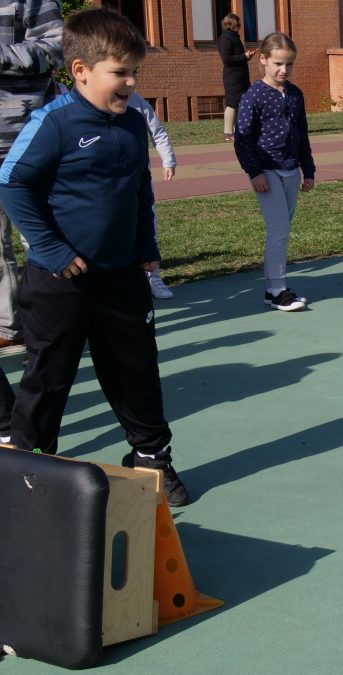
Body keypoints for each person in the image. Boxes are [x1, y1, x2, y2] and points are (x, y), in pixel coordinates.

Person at [0, 8, 192, 505]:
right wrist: (52, 249)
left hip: (122, 276)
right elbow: (12, 183)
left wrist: (146, 247)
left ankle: (152, 458)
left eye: (135, 72)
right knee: (48, 378)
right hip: (59, 281)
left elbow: (140, 189)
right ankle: (30, 469)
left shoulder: (130, 123)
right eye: (120, 72)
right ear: (81, 71)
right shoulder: (54, 122)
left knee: (137, 373)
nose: (131, 82)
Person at [234, 32, 316, 312]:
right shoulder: (253, 95)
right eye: (278, 63)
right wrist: (254, 171)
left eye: (289, 64)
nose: (284, 70)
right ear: (263, 60)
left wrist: (308, 169)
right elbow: (242, 138)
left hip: (291, 169)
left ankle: (273, 288)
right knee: (279, 229)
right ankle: (277, 289)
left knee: (282, 229)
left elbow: (302, 134)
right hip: (266, 170)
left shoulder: (295, 94)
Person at [0, 0, 63, 356]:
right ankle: (9, 327)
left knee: (41, 240)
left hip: (26, 139)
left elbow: (55, 46)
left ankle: (53, 330)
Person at [127, 91, 177, 300]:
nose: (129, 81)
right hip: (106, 186)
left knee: (148, 227)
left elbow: (157, 131)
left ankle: (154, 278)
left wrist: (168, 160)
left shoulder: (137, 101)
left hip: (139, 181)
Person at [218, 12, 256, 142]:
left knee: (241, 102)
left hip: (241, 76)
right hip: (232, 77)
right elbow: (227, 59)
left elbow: (237, 57)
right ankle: (228, 133)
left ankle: (239, 130)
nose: (239, 26)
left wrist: (247, 57)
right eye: (238, 24)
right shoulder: (225, 39)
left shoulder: (234, 37)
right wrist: (244, 56)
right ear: (232, 24)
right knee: (232, 103)